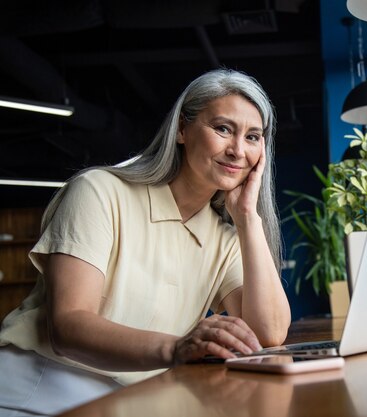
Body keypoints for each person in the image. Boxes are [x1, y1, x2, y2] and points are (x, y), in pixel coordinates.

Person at [0, 69, 291, 416]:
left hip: (138, 395)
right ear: (182, 129)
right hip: (41, 388)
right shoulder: (98, 191)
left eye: (253, 137)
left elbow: (270, 332)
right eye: (223, 129)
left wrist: (248, 218)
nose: (237, 150)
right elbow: (68, 326)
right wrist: (178, 348)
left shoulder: (225, 237)